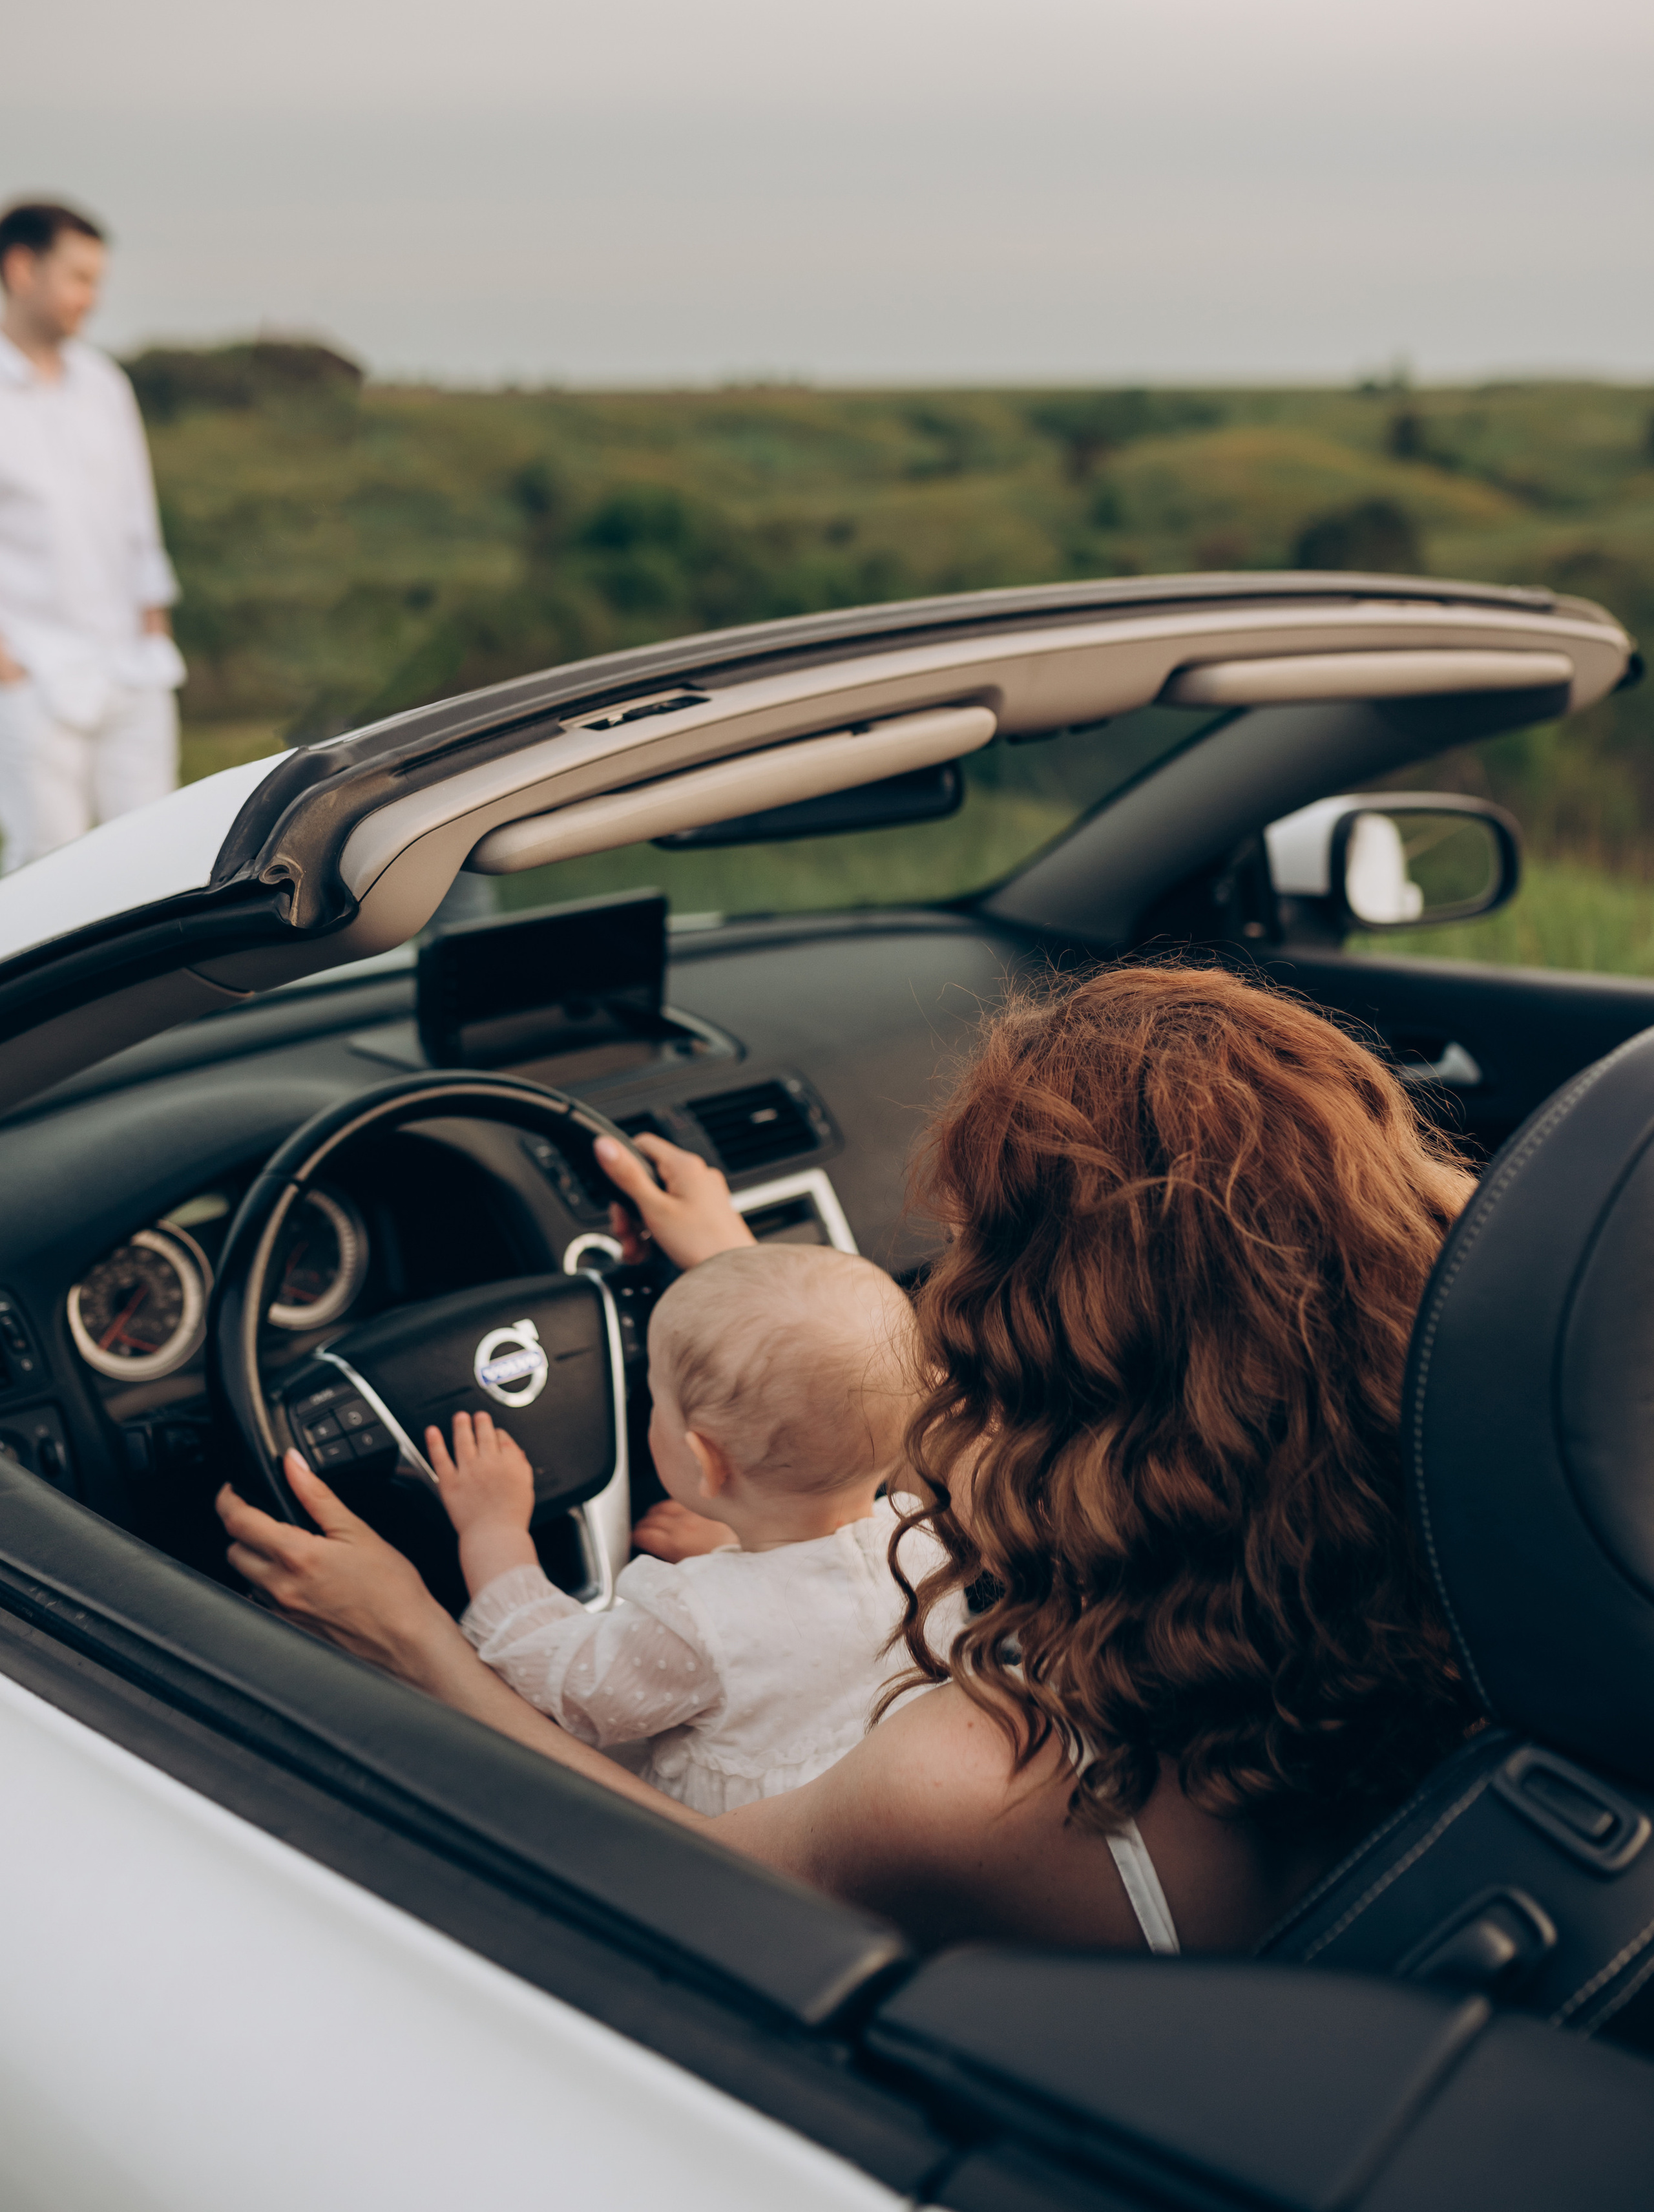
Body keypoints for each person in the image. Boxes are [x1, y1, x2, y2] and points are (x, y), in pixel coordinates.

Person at [219, 962, 1480, 1957]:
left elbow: (656, 1857)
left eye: (964, 1269)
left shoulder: (979, 1780)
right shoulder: (1442, 1509)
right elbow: (901, 1455)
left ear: (1073, 1371)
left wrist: (410, 1636)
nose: (941, 1310)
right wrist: (735, 1281)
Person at [429, 1245, 961, 1814]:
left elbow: (562, 1684)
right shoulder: (925, 1542)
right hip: (867, 1809)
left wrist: (494, 1530)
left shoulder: (696, 1623)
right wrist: (735, 1552)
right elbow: (821, 1602)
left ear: (704, 1460)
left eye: (655, 1397)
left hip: (724, 1849)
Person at [0, 200, 184, 872]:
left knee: (155, 867)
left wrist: (153, 637)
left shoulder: (105, 385)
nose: (92, 298)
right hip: (32, 681)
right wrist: (9, 674)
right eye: (79, 277)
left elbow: (140, 525)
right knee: (49, 873)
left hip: (130, 669)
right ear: (22, 269)